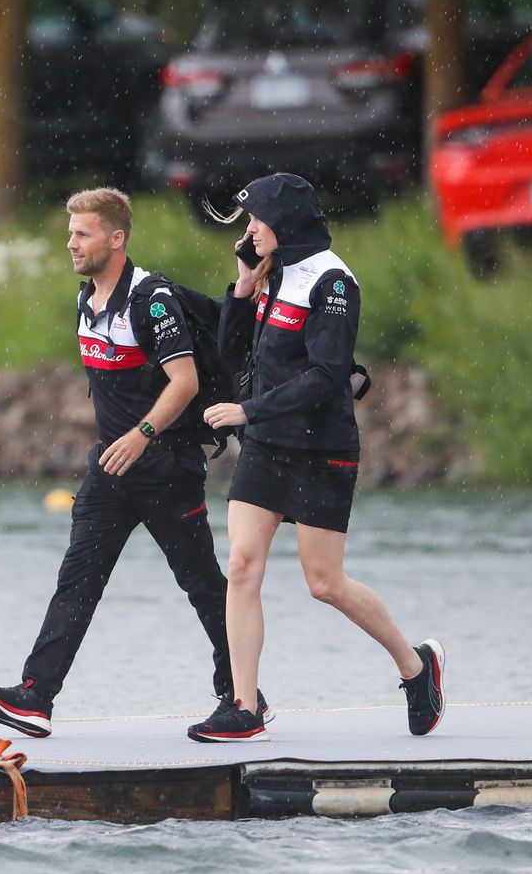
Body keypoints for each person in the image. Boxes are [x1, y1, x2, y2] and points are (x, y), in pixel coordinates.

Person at [0, 187, 261, 737]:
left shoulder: (152, 300)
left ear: (116, 238)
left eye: (83, 233)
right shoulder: (87, 300)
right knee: (77, 579)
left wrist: (142, 434)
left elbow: (185, 382)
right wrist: (119, 443)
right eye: (70, 232)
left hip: (166, 468)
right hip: (110, 470)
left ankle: (243, 695)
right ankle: (35, 697)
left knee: (200, 582)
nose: (71, 243)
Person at [187, 172, 443, 743]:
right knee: (242, 567)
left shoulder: (332, 283)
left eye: (258, 220)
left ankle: (416, 666)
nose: (250, 230)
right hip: (266, 446)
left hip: (321, 449)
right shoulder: (270, 272)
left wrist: (247, 410)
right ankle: (244, 707)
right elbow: (231, 354)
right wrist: (243, 285)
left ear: (287, 222)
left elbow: (327, 378)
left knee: (325, 583)